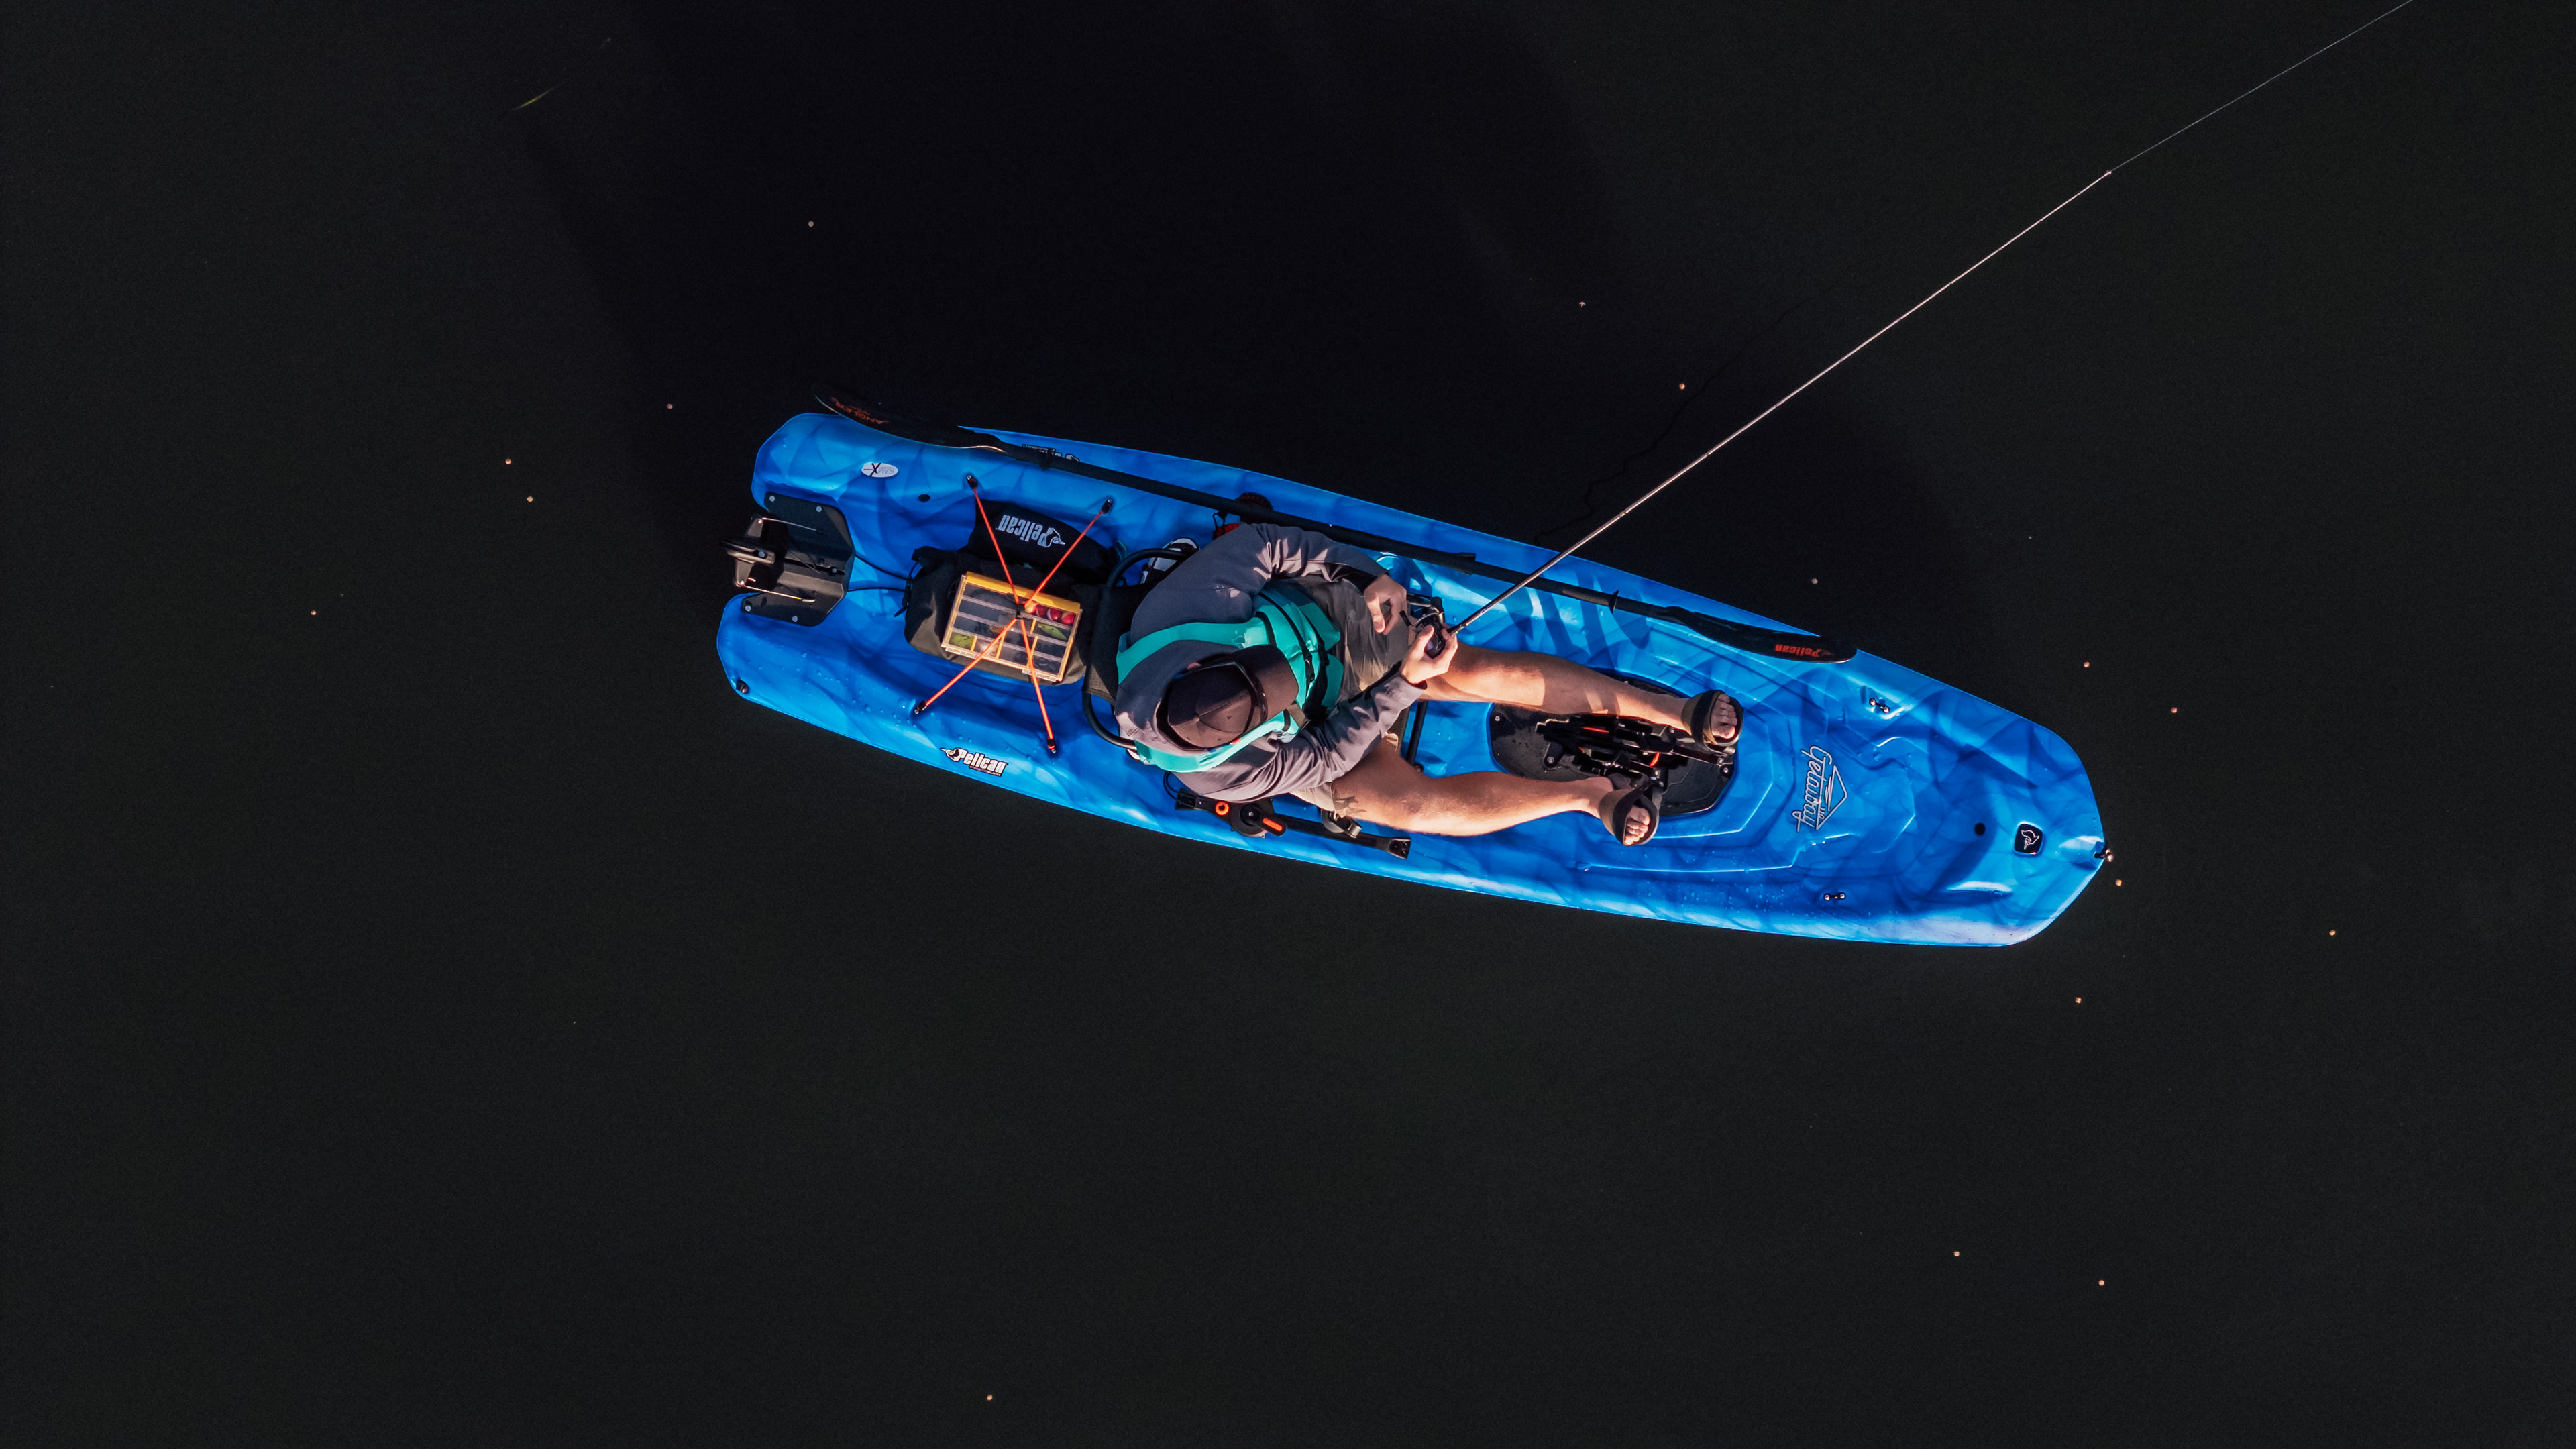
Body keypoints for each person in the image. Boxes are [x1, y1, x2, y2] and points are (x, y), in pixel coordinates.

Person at [1110, 522, 1740, 845]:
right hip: (1321, 731)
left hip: (1329, 620)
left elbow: (1268, 545)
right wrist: (1404, 686)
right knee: (1405, 808)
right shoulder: (1225, 776)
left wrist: (1362, 577)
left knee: (1462, 669)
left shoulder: (1178, 613)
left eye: (1253, 670)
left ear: (1198, 667)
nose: (1276, 680)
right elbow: (1326, 756)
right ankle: (1588, 796)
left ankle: (1667, 708)